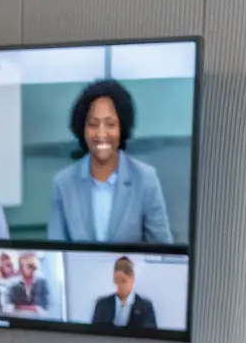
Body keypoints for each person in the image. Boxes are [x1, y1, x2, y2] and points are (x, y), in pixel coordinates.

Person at [47, 80, 172, 244]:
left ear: (122, 128)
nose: (101, 134)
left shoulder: (145, 179)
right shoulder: (63, 183)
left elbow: (164, 251)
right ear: (82, 129)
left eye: (110, 124)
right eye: (93, 124)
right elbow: (55, 251)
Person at [92, 255, 158, 329]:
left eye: (124, 281)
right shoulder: (102, 304)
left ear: (132, 280)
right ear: (114, 280)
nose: (120, 285)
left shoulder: (145, 307)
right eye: (117, 280)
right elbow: (95, 332)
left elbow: (151, 335)